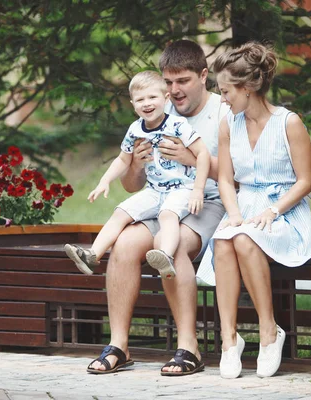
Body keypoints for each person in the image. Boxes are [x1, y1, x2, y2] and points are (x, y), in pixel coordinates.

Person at [84, 40, 230, 376]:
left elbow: (243, 174)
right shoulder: (154, 111)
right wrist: (135, 164)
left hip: (208, 200)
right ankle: (119, 345)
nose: (174, 90)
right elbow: (133, 185)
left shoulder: (224, 111)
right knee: (123, 244)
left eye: (183, 81)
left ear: (204, 76)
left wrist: (190, 158)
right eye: (169, 82)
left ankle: (188, 347)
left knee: (173, 244)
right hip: (161, 199)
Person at [197, 42, 311, 379]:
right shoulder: (227, 125)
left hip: (285, 211)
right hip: (244, 206)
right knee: (224, 240)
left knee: (245, 240)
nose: (223, 99)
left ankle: (269, 331)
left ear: (248, 89)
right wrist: (232, 214)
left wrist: (273, 211)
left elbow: (305, 181)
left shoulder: (289, 123)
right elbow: (226, 181)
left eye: (227, 91)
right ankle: (229, 341)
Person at [65, 71, 210, 280]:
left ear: (166, 98)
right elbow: (123, 159)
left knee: (167, 215)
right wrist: (104, 180)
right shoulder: (135, 129)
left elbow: (202, 153)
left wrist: (198, 189)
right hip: (154, 190)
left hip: (182, 189)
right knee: (120, 212)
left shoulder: (177, 125)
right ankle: (92, 255)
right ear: (133, 104)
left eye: (152, 97)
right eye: (140, 99)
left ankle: (166, 255)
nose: (147, 103)